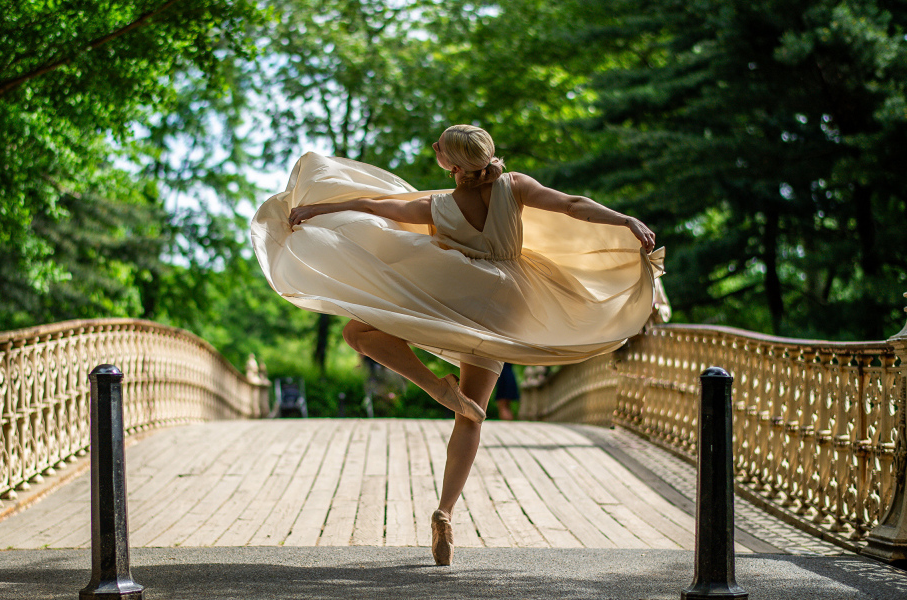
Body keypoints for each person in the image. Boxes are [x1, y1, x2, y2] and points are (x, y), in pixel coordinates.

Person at [251, 124, 663, 565]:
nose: (435, 149)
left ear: (450, 162)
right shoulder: (514, 186)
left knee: (356, 333)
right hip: (505, 306)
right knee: (471, 417)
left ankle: (436, 387)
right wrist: (625, 220)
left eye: (440, 148)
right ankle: (445, 512)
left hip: (456, 296)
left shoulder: (438, 205)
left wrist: (319, 209)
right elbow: (572, 205)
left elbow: (373, 204)